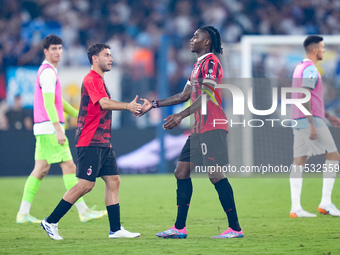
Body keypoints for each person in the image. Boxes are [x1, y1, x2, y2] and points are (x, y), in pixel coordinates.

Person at [136, 26, 243, 239]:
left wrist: (181, 116)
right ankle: (179, 228)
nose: (192, 39)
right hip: (198, 129)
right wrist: (154, 104)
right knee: (181, 172)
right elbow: (185, 95)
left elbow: (206, 95)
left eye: (196, 36)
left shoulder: (211, 62)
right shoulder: (198, 65)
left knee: (215, 175)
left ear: (207, 42)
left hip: (212, 126)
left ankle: (235, 228)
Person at [40, 43, 141, 240]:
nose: (111, 58)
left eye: (111, 55)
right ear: (95, 59)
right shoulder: (91, 79)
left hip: (102, 140)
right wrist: (128, 106)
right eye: (106, 55)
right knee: (86, 185)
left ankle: (115, 229)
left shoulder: (100, 80)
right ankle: (50, 221)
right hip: (90, 140)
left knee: (113, 181)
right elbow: (103, 103)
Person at [17, 35, 106, 224]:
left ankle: (23, 213)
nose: (58, 52)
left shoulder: (48, 71)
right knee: (69, 167)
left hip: (43, 127)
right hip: (50, 128)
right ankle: (83, 211)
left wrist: (77, 114)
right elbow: (50, 104)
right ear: (45, 52)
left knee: (40, 169)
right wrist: (58, 130)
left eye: (60, 48)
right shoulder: (48, 73)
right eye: (54, 49)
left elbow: (58, 101)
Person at [290, 35, 340, 217]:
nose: (324, 50)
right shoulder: (311, 69)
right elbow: (305, 95)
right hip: (308, 119)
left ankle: (295, 208)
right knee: (334, 156)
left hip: (297, 118)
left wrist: (327, 115)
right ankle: (325, 203)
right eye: (322, 47)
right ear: (314, 50)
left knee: (299, 161)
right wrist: (312, 122)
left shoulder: (299, 68)